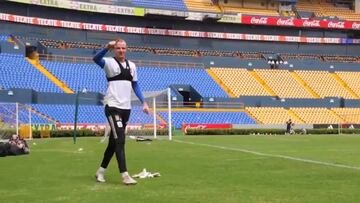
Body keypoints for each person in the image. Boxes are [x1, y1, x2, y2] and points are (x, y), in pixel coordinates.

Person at [93, 39, 149, 185]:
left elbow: (135, 85)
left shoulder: (132, 66)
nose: (121, 50)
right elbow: (95, 59)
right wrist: (106, 47)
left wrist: (144, 102)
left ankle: (100, 172)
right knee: (120, 140)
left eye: (123, 48)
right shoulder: (109, 63)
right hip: (112, 107)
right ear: (114, 49)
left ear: (126, 49)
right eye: (118, 48)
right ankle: (125, 175)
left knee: (113, 142)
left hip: (126, 109)